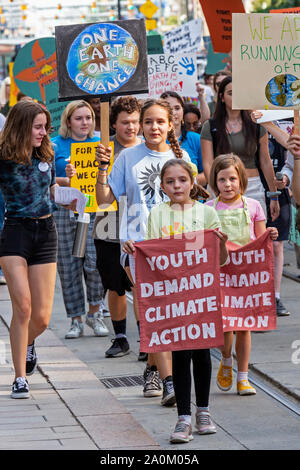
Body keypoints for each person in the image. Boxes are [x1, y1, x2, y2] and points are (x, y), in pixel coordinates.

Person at [94, 98, 191, 406]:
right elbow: (104, 198)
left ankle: (152, 366)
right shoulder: (128, 157)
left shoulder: (182, 156)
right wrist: (100, 169)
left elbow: (190, 204)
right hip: (137, 246)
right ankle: (169, 381)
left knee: (169, 314)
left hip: (174, 246)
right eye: (148, 122)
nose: (153, 127)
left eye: (160, 122)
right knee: (154, 311)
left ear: (170, 125)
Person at [123, 159, 228, 443]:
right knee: (180, 354)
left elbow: (221, 260)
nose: (177, 186)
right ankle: (183, 418)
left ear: (192, 182)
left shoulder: (207, 214)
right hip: (173, 299)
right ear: (162, 187)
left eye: (182, 180)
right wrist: (135, 250)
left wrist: (219, 243)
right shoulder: (157, 214)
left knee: (203, 352)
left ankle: (203, 411)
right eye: (170, 182)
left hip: (201, 297)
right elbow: (152, 256)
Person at [0, 100, 72, 398]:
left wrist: (66, 188)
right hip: (15, 232)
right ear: (21, 126)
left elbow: (47, 188)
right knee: (23, 307)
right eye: (38, 127)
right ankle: (19, 377)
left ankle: (24, 343)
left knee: (41, 318)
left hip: (46, 232)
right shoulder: (2, 158)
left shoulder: (47, 152)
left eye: (46, 126)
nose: (44, 132)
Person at [206, 154, 278, 396]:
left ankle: (243, 377)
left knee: (245, 326)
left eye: (232, 179)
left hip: (246, 275)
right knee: (226, 326)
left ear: (241, 180)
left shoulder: (254, 206)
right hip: (222, 273)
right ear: (215, 182)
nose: (228, 184)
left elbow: (259, 241)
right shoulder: (208, 209)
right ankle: (226, 359)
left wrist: (270, 235)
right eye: (222, 179)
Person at [51, 100, 108, 339]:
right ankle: (76, 319)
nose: (84, 122)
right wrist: (66, 179)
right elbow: (48, 179)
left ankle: (95, 313)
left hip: (94, 209)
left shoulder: (100, 144)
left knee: (95, 263)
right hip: (66, 210)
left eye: (88, 118)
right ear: (68, 121)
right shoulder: (55, 145)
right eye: (79, 118)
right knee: (69, 266)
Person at [92, 96, 143, 358]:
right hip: (108, 225)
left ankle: (146, 335)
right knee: (115, 284)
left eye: (135, 122)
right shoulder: (103, 149)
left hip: (138, 225)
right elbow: (97, 194)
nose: (131, 127)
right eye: (125, 123)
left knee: (140, 284)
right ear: (114, 124)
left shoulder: (148, 148)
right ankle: (120, 337)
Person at [201, 76, 280, 221]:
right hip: (221, 186)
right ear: (222, 97)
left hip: (252, 186)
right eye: (231, 93)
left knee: (254, 236)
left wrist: (274, 195)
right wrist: (215, 188)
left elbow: (265, 160)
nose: (236, 97)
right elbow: (208, 162)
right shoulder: (210, 126)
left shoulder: (257, 124)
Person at [251, 111, 292, 316]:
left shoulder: (291, 116)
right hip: (253, 187)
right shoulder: (249, 119)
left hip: (278, 187)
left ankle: (274, 297)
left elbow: (289, 146)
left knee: (276, 244)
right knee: (255, 243)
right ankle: (256, 295)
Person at [160, 91, 206, 186]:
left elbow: (207, 173)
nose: (173, 112)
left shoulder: (196, 139)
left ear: (183, 110)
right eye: (168, 108)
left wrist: (186, 182)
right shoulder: (156, 140)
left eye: (177, 108)